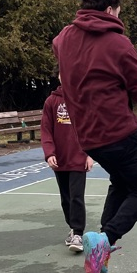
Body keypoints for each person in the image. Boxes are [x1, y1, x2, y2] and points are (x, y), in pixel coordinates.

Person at [52, 0, 137, 273]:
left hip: (89, 139)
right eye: (117, 13)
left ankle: (100, 246)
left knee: (121, 180)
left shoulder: (64, 38)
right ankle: (106, 238)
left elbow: (58, 47)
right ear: (109, 10)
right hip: (118, 133)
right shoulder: (118, 43)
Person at [41, 79, 94, 253]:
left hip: (78, 157)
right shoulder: (51, 101)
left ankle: (78, 233)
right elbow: (46, 130)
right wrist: (50, 153)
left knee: (76, 196)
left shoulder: (82, 99)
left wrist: (89, 155)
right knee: (66, 199)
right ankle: (72, 228)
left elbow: (90, 128)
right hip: (60, 159)